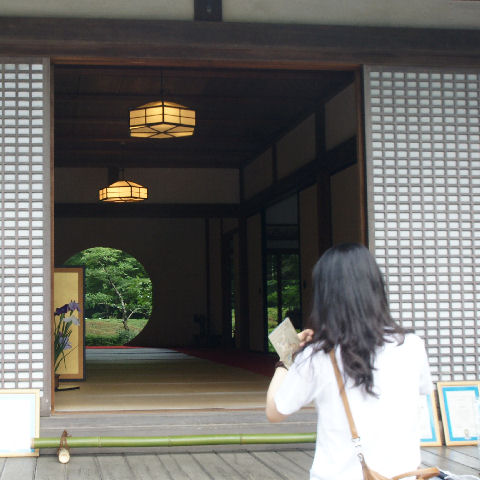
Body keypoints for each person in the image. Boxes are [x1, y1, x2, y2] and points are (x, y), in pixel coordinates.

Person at [266, 243, 433, 480]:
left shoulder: (318, 356)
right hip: (402, 475)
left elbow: (275, 411)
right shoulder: (412, 345)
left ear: (326, 296)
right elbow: (423, 394)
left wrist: (286, 359)